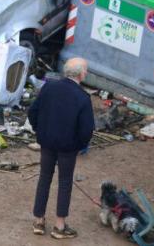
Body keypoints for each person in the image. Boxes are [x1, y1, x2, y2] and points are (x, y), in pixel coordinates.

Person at [28, 57, 95, 239]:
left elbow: (32, 111)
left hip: (47, 142)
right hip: (68, 147)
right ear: (81, 74)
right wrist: (80, 145)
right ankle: (59, 226)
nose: (86, 73)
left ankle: (39, 221)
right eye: (86, 70)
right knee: (65, 183)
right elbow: (87, 129)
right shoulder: (83, 97)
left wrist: (39, 130)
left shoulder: (49, 87)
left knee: (44, 178)